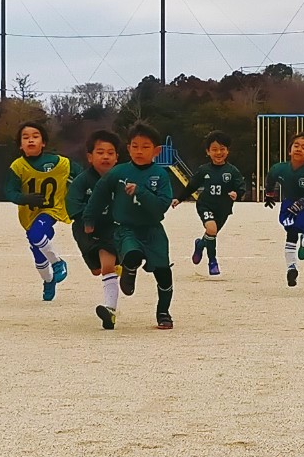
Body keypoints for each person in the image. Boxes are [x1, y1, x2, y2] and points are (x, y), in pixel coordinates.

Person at [84, 121, 175, 330]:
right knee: (132, 253)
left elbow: (161, 207)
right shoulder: (118, 172)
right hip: (125, 228)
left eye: (145, 147)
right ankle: (129, 271)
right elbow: (99, 195)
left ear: (156, 151)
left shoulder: (161, 175)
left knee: (163, 273)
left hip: (153, 230)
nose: (139, 151)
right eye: (135, 146)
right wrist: (89, 219)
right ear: (128, 148)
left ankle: (163, 312)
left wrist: (141, 192)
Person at [3, 122, 74, 301]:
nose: (30, 140)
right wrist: (24, 198)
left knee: (36, 234)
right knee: (37, 251)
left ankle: (58, 263)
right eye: (25, 137)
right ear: (20, 145)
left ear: (43, 142)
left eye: (35, 136)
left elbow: (81, 176)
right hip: (29, 214)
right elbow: (10, 191)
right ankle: (49, 281)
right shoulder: (18, 166)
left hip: (52, 209)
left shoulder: (59, 162)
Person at [66, 130, 123, 329]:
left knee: (107, 266)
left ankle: (110, 311)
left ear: (117, 157)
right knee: (96, 270)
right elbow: (73, 207)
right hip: (86, 230)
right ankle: (118, 267)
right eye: (100, 152)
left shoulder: (122, 179)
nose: (105, 156)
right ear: (90, 157)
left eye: (110, 153)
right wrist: (92, 215)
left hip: (111, 229)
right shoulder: (81, 181)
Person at [171, 130, 246, 276]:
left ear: (227, 151)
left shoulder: (232, 171)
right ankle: (212, 262)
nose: (218, 153)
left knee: (212, 233)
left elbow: (241, 187)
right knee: (211, 229)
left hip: (223, 209)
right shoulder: (203, 170)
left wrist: (237, 194)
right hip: (205, 205)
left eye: (222, 149)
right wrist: (179, 198)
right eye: (214, 149)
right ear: (208, 151)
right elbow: (191, 186)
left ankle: (200, 244)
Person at [264, 133, 304, 288]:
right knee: (291, 232)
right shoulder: (279, 168)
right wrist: (269, 194)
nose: (299, 149)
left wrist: (298, 206)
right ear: (289, 150)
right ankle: (291, 268)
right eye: (296, 146)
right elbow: (271, 178)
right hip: (289, 204)